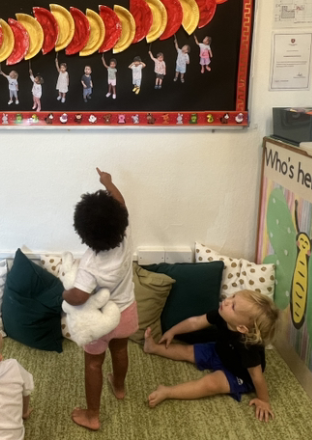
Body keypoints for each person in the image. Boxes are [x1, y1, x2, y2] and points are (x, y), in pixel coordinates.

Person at [63, 168, 137, 431]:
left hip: (98, 321)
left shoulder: (89, 265)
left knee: (94, 363)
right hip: (126, 311)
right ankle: (119, 386)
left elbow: (79, 296)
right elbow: (120, 202)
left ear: (83, 233)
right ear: (121, 221)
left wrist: (64, 294)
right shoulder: (125, 235)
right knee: (120, 350)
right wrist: (108, 182)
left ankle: (92, 415)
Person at [143, 289, 280, 422]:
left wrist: (263, 400)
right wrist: (172, 331)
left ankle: (167, 392)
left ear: (242, 328)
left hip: (238, 374)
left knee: (210, 384)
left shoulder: (248, 347)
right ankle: (153, 348)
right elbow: (195, 322)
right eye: (233, 296)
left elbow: (257, 376)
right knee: (188, 351)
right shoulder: (221, 315)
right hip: (220, 351)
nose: (227, 301)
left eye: (233, 306)